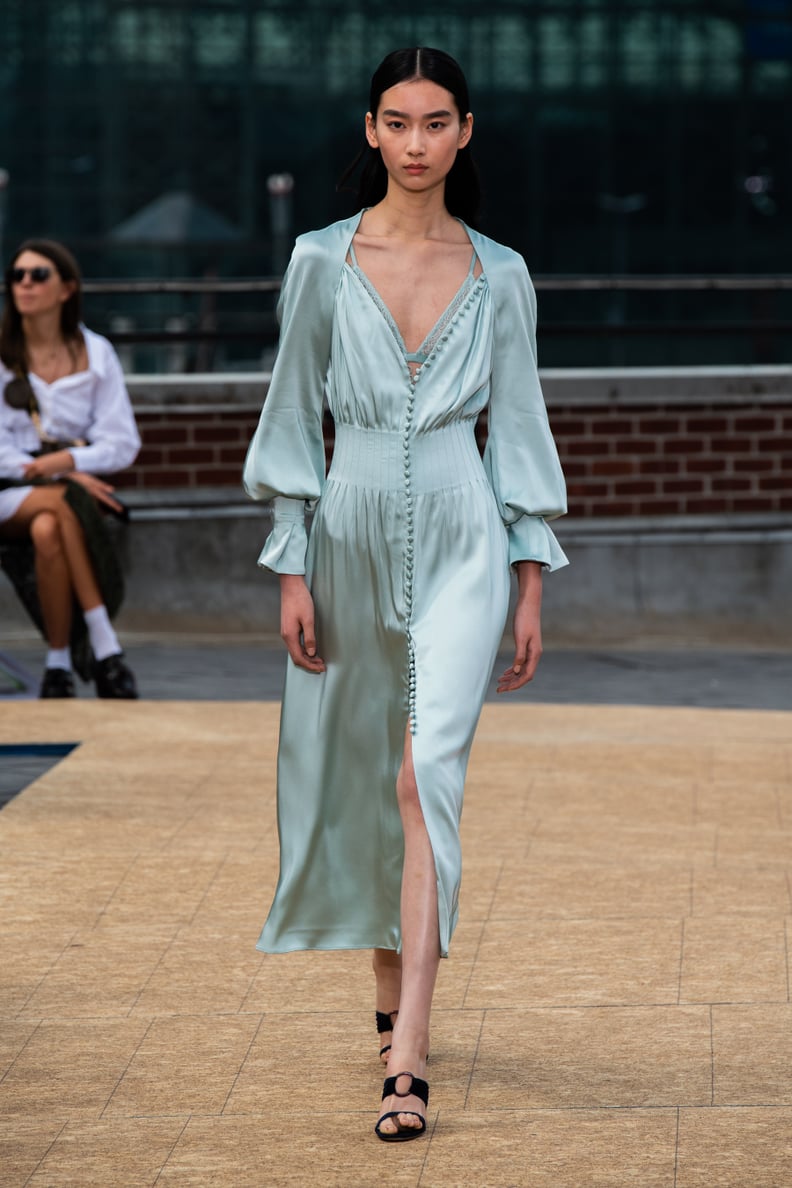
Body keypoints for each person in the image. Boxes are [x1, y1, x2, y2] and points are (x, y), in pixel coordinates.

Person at [243, 46, 568, 1141]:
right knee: (369, 772)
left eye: (438, 122)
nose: (418, 141)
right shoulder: (320, 261)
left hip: (471, 537)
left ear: (465, 132)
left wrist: (530, 582)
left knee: (426, 772)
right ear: (371, 131)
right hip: (348, 530)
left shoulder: (502, 273)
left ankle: (409, 1058)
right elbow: (292, 413)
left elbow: (518, 430)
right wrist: (289, 556)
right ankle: (392, 998)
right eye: (399, 121)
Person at [0, 238, 140, 698]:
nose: (24, 284)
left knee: (48, 529)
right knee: (62, 501)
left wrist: (69, 461)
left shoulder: (96, 353)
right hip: (7, 491)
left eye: (38, 275)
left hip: (54, 498)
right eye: (17, 276)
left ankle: (58, 664)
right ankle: (106, 648)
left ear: (66, 289)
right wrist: (56, 471)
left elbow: (123, 443)